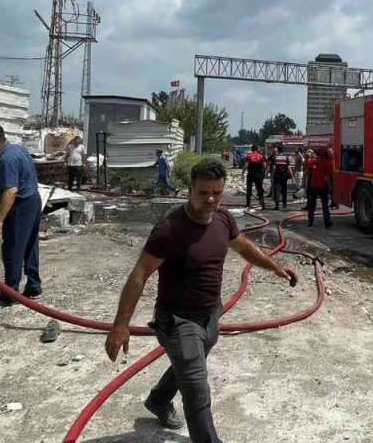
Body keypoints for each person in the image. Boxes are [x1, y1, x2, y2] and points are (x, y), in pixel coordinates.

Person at [105, 158, 298, 443]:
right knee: (196, 387)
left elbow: (244, 246)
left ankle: (158, 400)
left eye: (216, 193)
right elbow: (140, 275)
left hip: (210, 315)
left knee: (188, 364)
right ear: (189, 190)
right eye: (203, 192)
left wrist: (276, 267)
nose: (210, 199)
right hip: (177, 320)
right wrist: (120, 325)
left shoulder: (223, 219)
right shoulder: (169, 229)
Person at [0, 122, 43, 309]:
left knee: (12, 250)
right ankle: (33, 286)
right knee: (30, 245)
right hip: (32, 200)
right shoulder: (18, 150)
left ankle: (9, 294)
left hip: (20, 206)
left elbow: (11, 190)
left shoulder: (7, 159)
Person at [305, 148, 333, 229]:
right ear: (315, 156)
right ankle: (310, 221)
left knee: (325, 206)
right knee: (311, 206)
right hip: (313, 187)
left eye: (320, 157)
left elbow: (327, 176)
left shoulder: (325, 164)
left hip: (322, 187)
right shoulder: (311, 162)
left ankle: (327, 222)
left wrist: (330, 186)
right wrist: (305, 184)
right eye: (318, 157)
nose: (319, 159)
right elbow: (307, 173)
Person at [242, 144, 267, 210]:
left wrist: (243, 173)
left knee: (249, 190)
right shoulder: (261, 156)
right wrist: (263, 173)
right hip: (258, 174)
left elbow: (246, 165)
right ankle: (262, 203)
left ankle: (248, 204)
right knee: (259, 189)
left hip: (251, 174)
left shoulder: (249, 156)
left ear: (251, 149)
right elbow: (264, 165)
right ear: (257, 149)